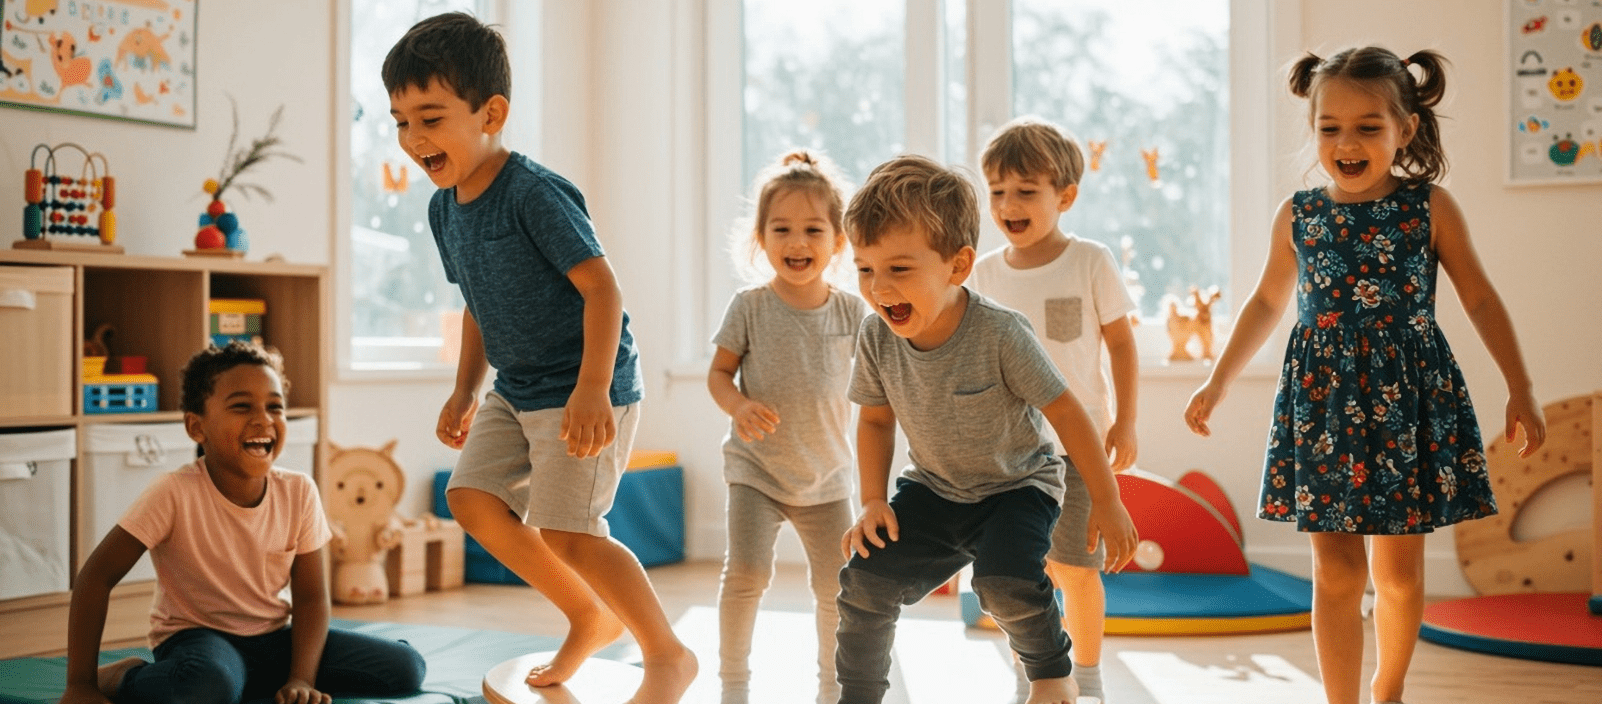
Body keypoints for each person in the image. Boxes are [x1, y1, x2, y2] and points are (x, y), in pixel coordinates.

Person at [1183, 47, 1547, 704]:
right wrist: (1219, 379)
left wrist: (1521, 387)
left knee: (1399, 578)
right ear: (1313, 127)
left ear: (1404, 129)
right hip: (1323, 406)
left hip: (1405, 403)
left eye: (1367, 127)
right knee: (1336, 572)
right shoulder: (1298, 214)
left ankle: (1389, 688)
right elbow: (1267, 301)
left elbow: (1482, 298)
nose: (1346, 143)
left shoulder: (1429, 208)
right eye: (1329, 128)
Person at [383, 12, 696, 703]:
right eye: (401, 121)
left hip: (588, 384)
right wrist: (465, 391)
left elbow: (603, 289)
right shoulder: (445, 209)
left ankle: (667, 653)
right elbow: (477, 303)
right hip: (516, 386)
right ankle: (588, 614)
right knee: (468, 498)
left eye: (430, 118)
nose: (415, 139)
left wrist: (590, 390)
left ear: (490, 113)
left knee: (570, 531)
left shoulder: (533, 193)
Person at [837, 154, 1139, 704]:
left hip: (1017, 488)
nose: (879, 288)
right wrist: (873, 499)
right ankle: (858, 695)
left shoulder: (1000, 333)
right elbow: (876, 419)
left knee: (1004, 582)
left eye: (899, 269)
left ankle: (1052, 675)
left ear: (958, 265)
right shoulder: (875, 337)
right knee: (864, 580)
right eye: (864, 269)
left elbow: (1068, 414)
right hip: (934, 489)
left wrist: (1106, 498)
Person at [59, 342, 427, 704]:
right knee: (208, 686)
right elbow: (97, 575)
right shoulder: (173, 492)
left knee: (406, 667)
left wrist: (301, 677)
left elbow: (312, 597)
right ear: (196, 427)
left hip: (273, 639)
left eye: (274, 407)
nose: (263, 419)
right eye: (241, 406)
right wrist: (80, 683)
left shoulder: (299, 491)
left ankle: (250, 681)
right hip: (199, 640)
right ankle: (123, 677)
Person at [970, 116, 1139, 703]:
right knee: (1018, 575)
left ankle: (1086, 677)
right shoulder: (983, 273)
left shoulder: (1089, 261)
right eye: (996, 192)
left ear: (1064, 196)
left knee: (1075, 567)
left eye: (1025, 191)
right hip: (1009, 457)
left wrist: (1126, 420)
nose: (1007, 204)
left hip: (1077, 450)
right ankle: (1037, 671)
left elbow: (1121, 343)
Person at [707, 150, 867, 704]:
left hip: (826, 480)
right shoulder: (749, 306)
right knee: (746, 574)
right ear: (761, 238)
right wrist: (738, 406)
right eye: (782, 229)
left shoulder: (852, 313)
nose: (797, 243)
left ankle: (832, 685)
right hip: (756, 471)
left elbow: (881, 384)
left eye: (812, 230)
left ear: (837, 241)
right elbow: (720, 375)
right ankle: (733, 683)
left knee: (836, 589)